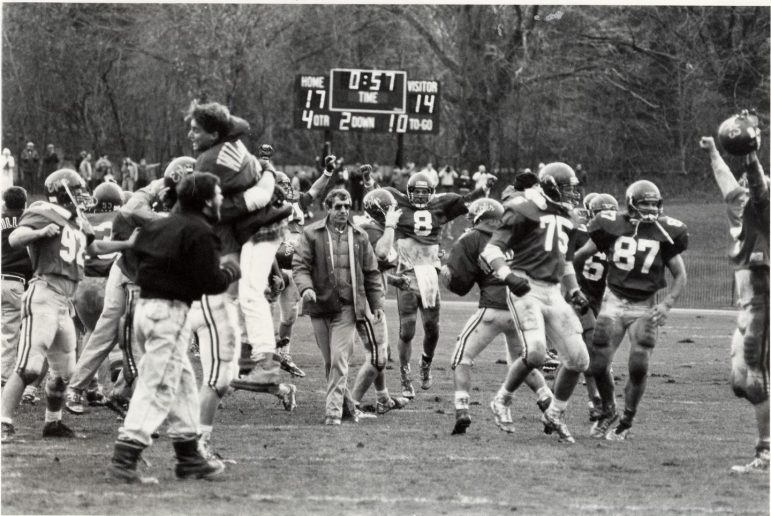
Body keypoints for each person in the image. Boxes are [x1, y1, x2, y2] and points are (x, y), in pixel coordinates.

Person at [108, 172, 240, 483]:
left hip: (143, 308)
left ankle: (188, 455)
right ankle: (125, 455)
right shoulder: (201, 232)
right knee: (158, 386)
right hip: (169, 313)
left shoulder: (158, 224)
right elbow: (211, 282)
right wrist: (231, 270)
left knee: (183, 385)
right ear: (207, 201)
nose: (221, 199)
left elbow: (135, 255)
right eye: (218, 194)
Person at [0, 169, 136, 443]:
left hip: (65, 301)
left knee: (65, 373)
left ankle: (53, 423)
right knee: (29, 367)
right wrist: (40, 231)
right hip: (44, 294)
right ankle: (3, 422)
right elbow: (15, 238)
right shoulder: (43, 209)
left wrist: (128, 243)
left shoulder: (77, 221)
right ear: (62, 192)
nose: (84, 195)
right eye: (78, 190)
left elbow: (94, 247)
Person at [65, 158, 196, 417]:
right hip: (128, 271)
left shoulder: (196, 203)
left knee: (148, 339)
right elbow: (131, 210)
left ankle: (121, 392)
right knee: (110, 332)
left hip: (157, 277)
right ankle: (78, 388)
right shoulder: (153, 190)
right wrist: (166, 222)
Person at [184, 102, 293, 406]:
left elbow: (233, 206)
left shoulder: (209, 161)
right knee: (237, 294)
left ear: (214, 133)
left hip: (262, 226)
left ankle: (267, 364)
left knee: (249, 294)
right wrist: (268, 174)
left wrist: (266, 183)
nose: (191, 135)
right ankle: (246, 357)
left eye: (196, 130)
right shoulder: (231, 140)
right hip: (261, 223)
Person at [480, 162, 590, 444]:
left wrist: (574, 289)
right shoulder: (523, 207)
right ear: (551, 186)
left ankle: (555, 412)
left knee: (579, 359)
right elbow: (492, 249)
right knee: (537, 352)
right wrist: (506, 275)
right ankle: (502, 399)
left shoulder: (568, 217)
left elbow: (564, 260)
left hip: (553, 291)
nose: (573, 195)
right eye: (568, 189)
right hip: (525, 284)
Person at [574, 179, 688, 441]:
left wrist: (667, 303)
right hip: (613, 301)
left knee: (638, 366)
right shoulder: (613, 226)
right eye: (644, 203)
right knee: (598, 364)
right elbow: (580, 256)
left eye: (653, 203)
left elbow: (680, 275)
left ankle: (626, 421)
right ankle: (609, 408)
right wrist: (576, 288)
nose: (650, 209)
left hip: (645, 305)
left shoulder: (666, 232)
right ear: (632, 204)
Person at [443, 198, 554, 435]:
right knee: (521, 364)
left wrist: (445, 275)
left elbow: (460, 282)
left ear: (478, 216)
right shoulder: (521, 234)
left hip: (492, 309)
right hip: (523, 308)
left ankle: (462, 409)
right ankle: (550, 406)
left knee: (461, 358)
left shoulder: (472, 238)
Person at [384, 171, 490, 399]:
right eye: (417, 192)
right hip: (407, 273)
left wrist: (482, 189)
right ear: (409, 192)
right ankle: (404, 375)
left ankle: (425, 363)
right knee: (407, 330)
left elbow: (466, 201)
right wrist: (368, 182)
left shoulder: (440, 206)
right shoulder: (400, 204)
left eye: (425, 192)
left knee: (432, 329)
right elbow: (379, 199)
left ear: (431, 193)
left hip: (430, 274)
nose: (421, 196)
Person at [700, 134, 769, 473]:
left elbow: (755, 184)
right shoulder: (739, 208)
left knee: (757, 377)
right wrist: (713, 152)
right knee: (740, 383)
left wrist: (751, 156)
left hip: (764, 298)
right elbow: (728, 182)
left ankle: (765, 454)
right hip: (747, 305)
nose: (743, 188)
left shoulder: (763, 204)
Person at [292, 189, 385, 425]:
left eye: (347, 206)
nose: (343, 211)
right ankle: (348, 408)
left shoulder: (360, 236)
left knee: (338, 361)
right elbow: (300, 266)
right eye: (338, 207)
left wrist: (377, 304)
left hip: (347, 309)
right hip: (319, 306)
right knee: (329, 361)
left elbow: (372, 273)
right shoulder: (311, 233)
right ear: (328, 208)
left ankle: (333, 413)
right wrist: (306, 289)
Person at [258, 157, 337, 378]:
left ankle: (283, 354)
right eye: (280, 185)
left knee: (289, 316)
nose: (286, 188)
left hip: (293, 266)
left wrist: (327, 173)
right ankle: (260, 354)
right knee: (264, 311)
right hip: (269, 265)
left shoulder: (297, 203)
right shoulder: (263, 207)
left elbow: (314, 190)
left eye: (286, 185)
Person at [350, 187, 410, 414]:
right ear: (380, 210)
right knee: (378, 356)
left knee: (378, 351)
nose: (394, 211)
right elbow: (383, 254)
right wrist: (391, 226)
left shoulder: (369, 227)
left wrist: (393, 280)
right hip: (366, 301)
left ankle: (383, 398)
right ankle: (352, 404)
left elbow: (372, 267)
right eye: (390, 208)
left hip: (370, 296)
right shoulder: (371, 229)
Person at [572, 193, 619, 421]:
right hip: (583, 297)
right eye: (601, 213)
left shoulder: (620, 236)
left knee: (594, 355)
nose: (606, 218)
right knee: (589, 352)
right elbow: (572, 261)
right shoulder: (581, 234)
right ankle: (596, 401)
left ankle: (554, 401)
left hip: (603, 298)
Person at [1, 187, 34, 386]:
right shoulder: (29, 221)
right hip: (16, 281)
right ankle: (4, 376)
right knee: (12, 332)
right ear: (25, 203)